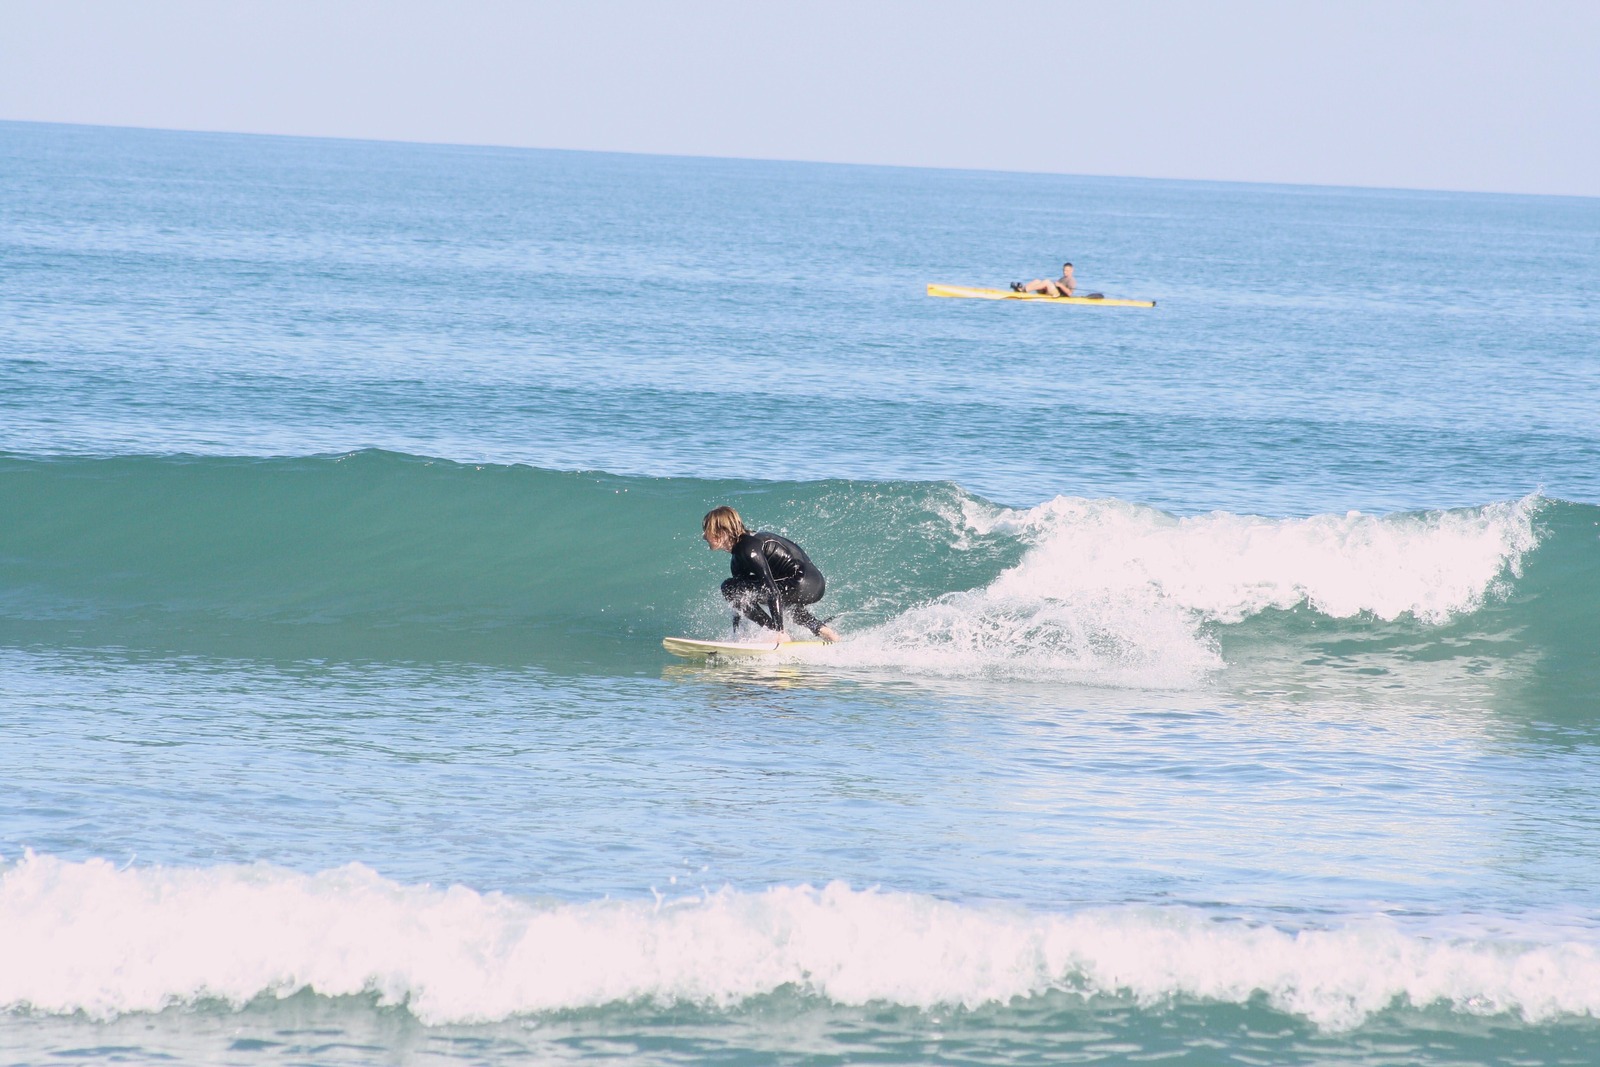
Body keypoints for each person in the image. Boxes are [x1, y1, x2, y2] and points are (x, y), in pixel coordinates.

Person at [701, 506, 841, 643]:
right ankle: (822, 629)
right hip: (814, 584)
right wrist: (736, 634)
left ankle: (778, 633)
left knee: (729, 587)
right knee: (774, 600)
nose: (704, 536)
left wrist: (779, 631)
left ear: (722, 531)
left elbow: (772, 591)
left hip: (801, 582)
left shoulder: (747, 548)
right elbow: (740, 600)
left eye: (707, 530)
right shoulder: (743, 551)